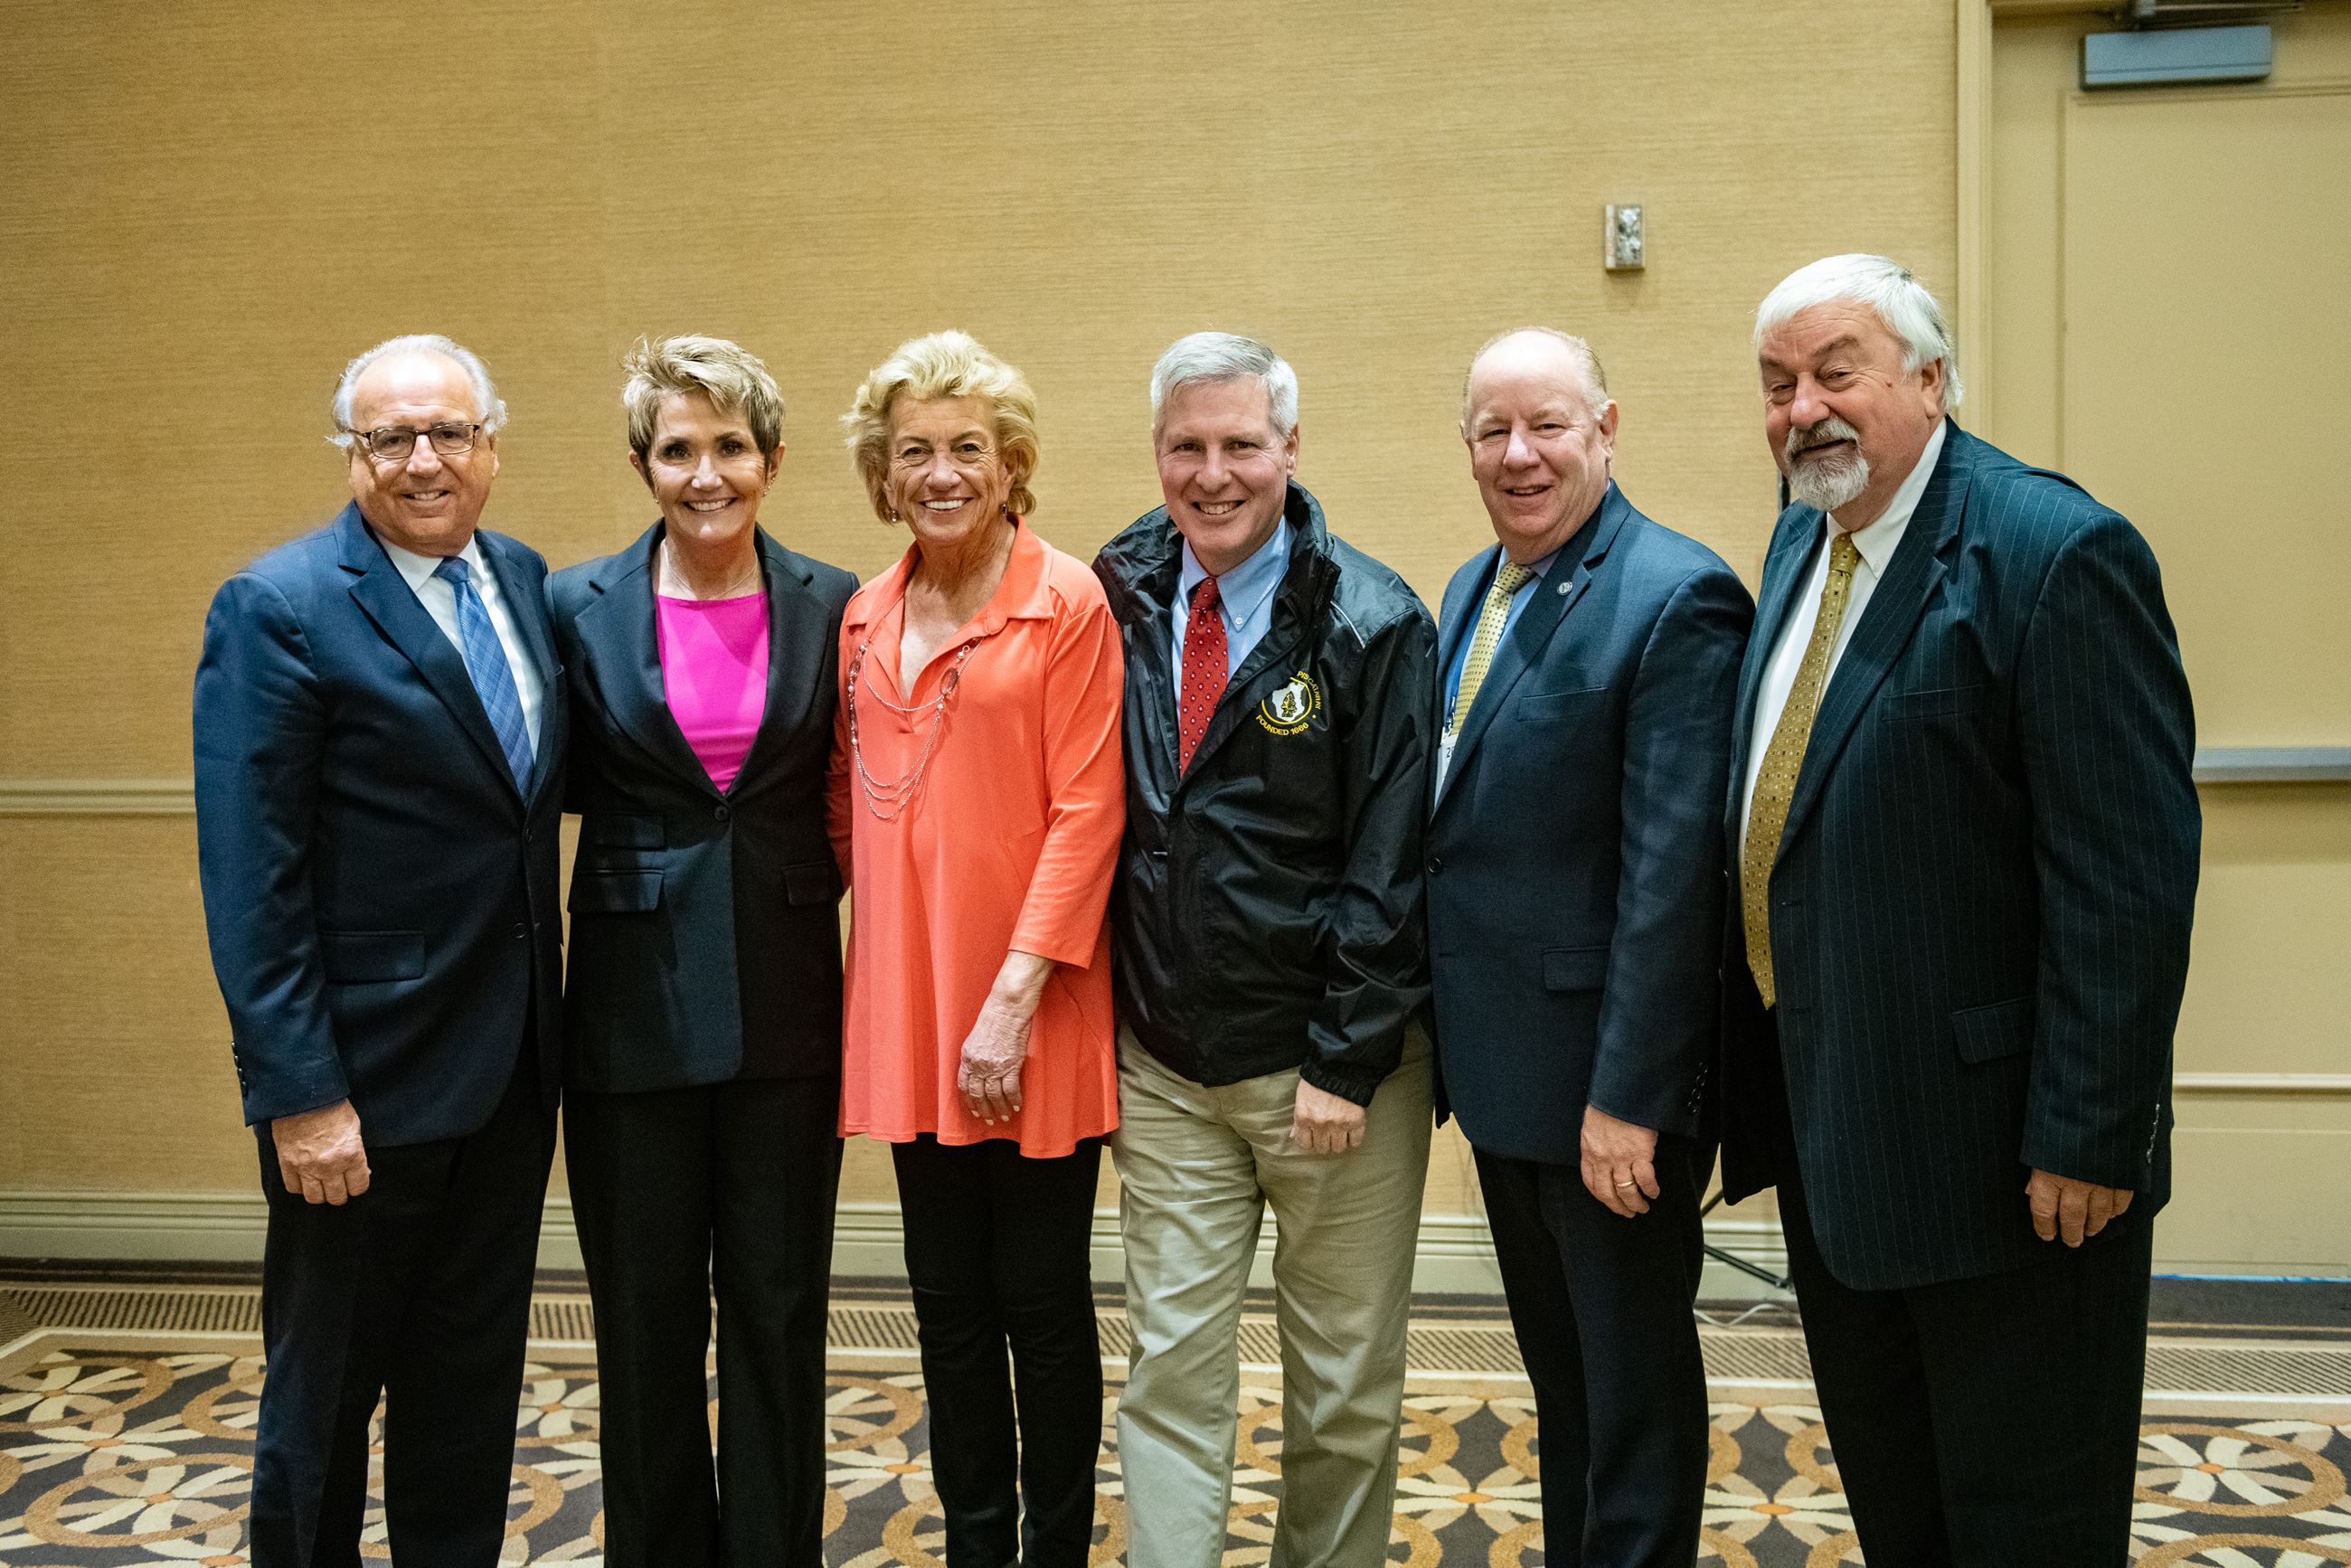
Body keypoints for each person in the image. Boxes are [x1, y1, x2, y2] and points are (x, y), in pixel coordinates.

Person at [1719, 254, 2200, 1564]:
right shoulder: (1805, 532)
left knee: (2027, 1526)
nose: (1802, 407)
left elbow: (2127, 877)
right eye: (1777, 383)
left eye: (1836, 371)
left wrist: (2092, 1134)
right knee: (1906, 1514)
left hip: (2016, 1175)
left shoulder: (2054, 552)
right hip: (1845, 1147)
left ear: (1930, 379)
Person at [193, 334, 563, 1566]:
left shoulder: (518, 576)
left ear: (491, 447)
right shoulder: (279, 605)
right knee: (325, 1398)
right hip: (358, 1092)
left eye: (448, 433)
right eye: (389, 437)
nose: (422, 460)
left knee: (467, 1395)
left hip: (508, 1078)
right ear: (351, 455)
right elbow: (254, 879)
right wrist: (301, 1094)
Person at [1092, 332, 1438, 1568]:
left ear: (1291, 449)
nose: (1215, 472)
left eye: (1242, 444)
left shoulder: (1376, 617)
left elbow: (1393, 862)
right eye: (1189, 446)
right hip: (1172, 1066)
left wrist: (1345, 1060)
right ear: (1158, 453)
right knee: (1170, 1376)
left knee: (1340, 1395)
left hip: (1333, 1076)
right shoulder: (1117, 589)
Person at [1425, 328, 1752, 1565]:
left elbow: (1675, 883)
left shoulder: (1675, 594)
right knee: (1567, 1400)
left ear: (1606, 427)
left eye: (1548, 425)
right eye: (1493, 430)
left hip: (1605, 1105)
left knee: (1634, 1409)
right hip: (1510, 1081)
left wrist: (1633, 1099)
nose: (1520, 454)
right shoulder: (1474, 589)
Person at [546, 335, 857, 1565]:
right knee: (644, 1324)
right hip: (627, 1019)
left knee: (780, 1320)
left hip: (789, 1014)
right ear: (642, 462)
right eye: (678, 448)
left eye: (730, 445)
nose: (706, 471)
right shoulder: (572, 604)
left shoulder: (837, 603)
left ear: (771, 459)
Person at [829, 329, 1126, 1568]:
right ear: (884, 475)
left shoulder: (1067, 601)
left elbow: (1089, 809)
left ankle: (1054, 1546)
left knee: (1043, 1306)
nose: (942, 472)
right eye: (916, 452)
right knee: (946, 1309)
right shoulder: (863, 611)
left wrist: (1008, 1002)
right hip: (907, 1010)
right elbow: (851, 809)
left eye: (968, 449)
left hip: (1033, 1007)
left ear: (1012, 466)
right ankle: (976, 1544)